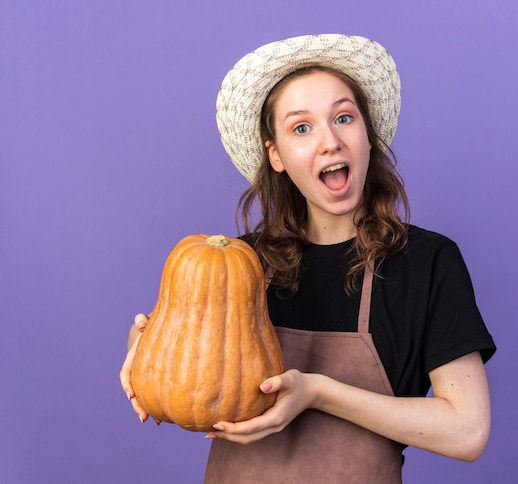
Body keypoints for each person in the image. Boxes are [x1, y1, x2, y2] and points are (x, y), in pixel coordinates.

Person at [120, 34, 496, 483]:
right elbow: (190, 369)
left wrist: (318, 392)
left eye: (343, 117)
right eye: (302, 127)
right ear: (276, 155)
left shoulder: (428, 263)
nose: (330, 142)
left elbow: (467, 431)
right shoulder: (242, 264)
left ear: (368, 137)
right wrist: (143, 347)